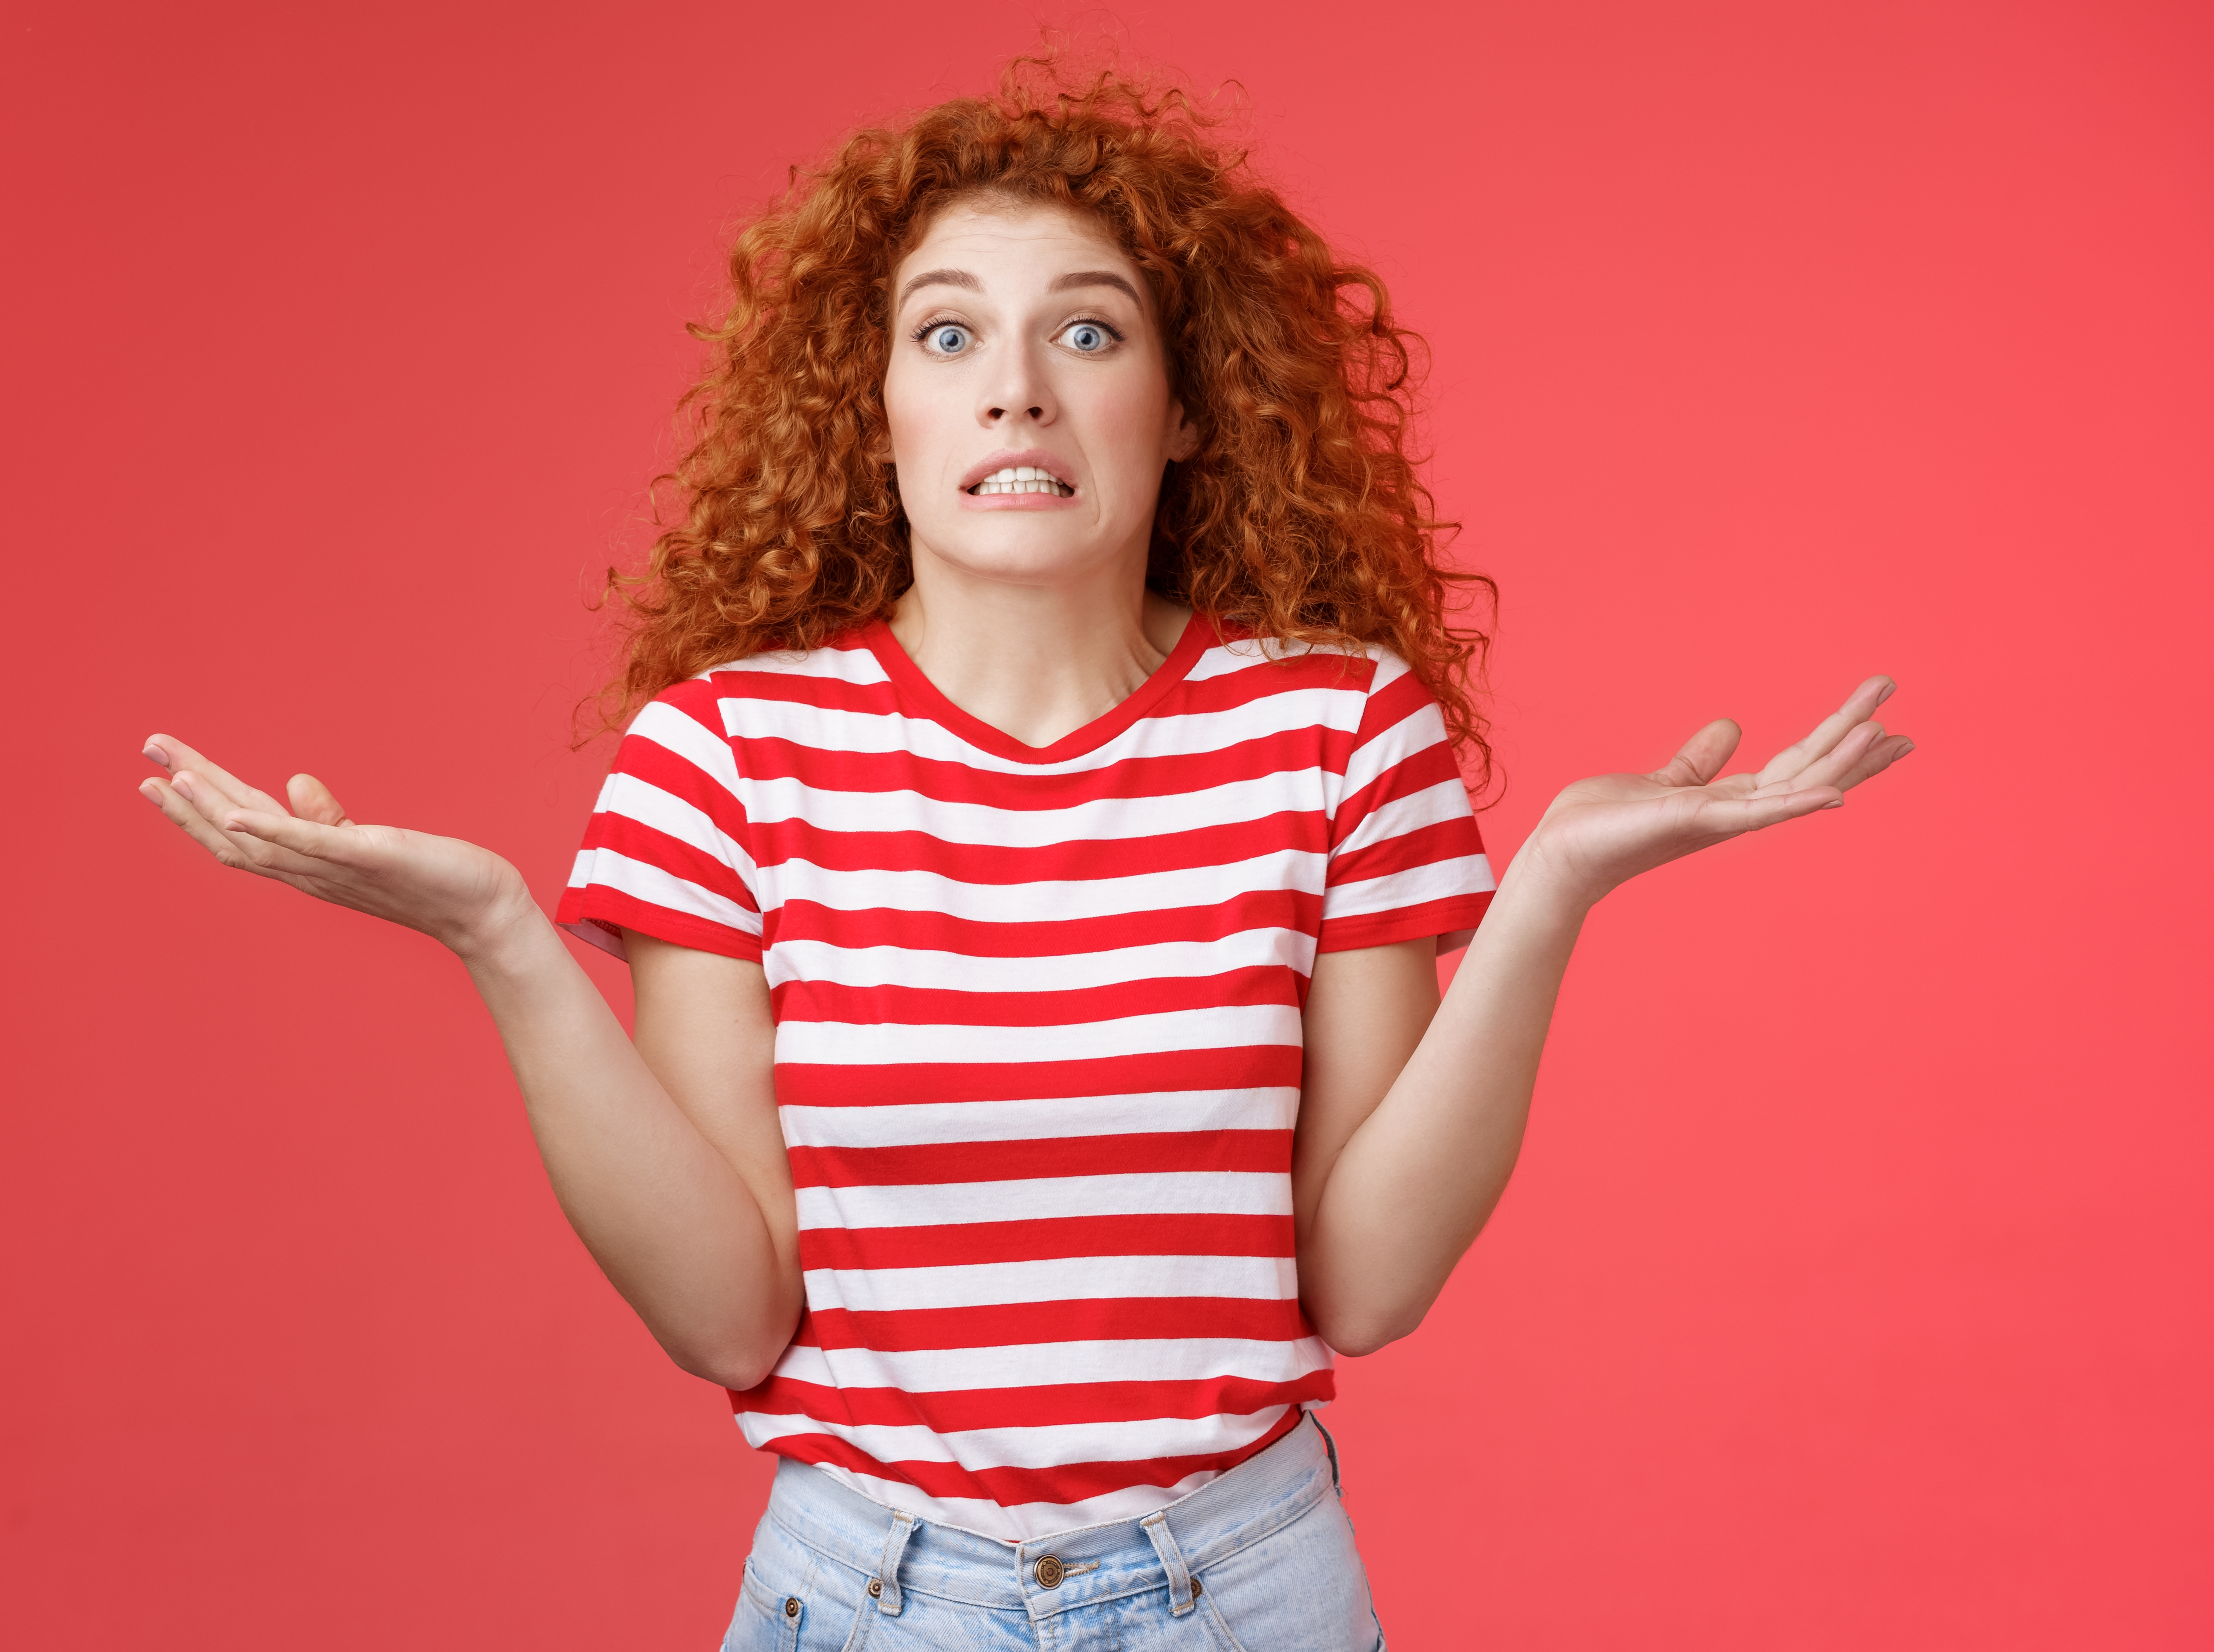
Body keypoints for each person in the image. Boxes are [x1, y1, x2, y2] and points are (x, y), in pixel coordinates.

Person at [135, 62, 1911, 1652]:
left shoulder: (1338, 733)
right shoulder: (727, 752)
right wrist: (505, 940)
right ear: (879, 406)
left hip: (1250, 1589)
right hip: (865, 1596)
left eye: (1086, 332)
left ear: (1189, 404)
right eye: (949, 335)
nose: (1017, 396)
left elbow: (1365, 1279)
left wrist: (1549, 895)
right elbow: (732, 1318)